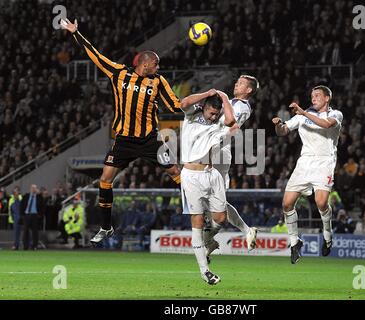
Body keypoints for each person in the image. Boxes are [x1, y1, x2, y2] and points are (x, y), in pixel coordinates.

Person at [60, 19, 183, 245]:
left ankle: (200, 213)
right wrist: (76, 33)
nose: (158, 68)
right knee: (105, 180)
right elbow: (95, 56)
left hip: (149, 139)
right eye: (156, 65)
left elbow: (175, 105)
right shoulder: (119, 73)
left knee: (178, 173)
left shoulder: (159, 82)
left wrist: (198, 107)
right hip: (124, 140)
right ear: (145, 65)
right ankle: (106, 227)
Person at [272, 85, 343, 264]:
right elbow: (283, 132)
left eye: (317, 95)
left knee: (321, 203)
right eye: (312, 95)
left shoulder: (335, 114)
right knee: (287, 204)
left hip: (324, 161)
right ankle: (295, 242)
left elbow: (326, 125)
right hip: (305, 162)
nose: (314, 98)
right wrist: (279, 125)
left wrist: (303, 113)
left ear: (327, 98)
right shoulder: (301, 116)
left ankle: (327, 235)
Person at [180, 88, 237, 285]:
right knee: (197, 221)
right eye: (211, 112)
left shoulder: (219, 119)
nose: (214, 116)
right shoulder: (191, 116)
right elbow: (183, 103)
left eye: (216, 113)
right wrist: (208, 93)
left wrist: (225, 98)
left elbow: (232, 123)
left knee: (221, 218)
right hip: (191, 175)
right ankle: (205, 271)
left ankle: (208, 242)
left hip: (212, 174)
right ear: (204, 107)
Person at [204, 75, 260, 260]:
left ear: (249, 90)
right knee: (213, 200)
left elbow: (232, 128)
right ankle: (243, 230)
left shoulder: (242, 106)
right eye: (236, 81)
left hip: (217, 149)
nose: (237, 84)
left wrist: (213, 149)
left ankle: (210, 240)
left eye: (241, 83)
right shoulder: (233, 102)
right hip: (215, 148)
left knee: (208, 198)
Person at [20, 184, 44, 250]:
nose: (33, 189)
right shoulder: (26, 196)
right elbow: (22, 205)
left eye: (35, 188)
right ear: (30, 189)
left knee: (35, 232)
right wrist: (22, 215)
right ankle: (25, 246)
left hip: (35, 215)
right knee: (25, 231)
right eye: (32, 188)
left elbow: (42, 207)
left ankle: (34, 246)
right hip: (27, 215)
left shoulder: (39, 197)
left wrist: (40, 215)